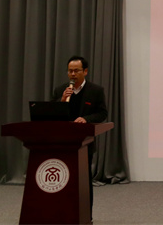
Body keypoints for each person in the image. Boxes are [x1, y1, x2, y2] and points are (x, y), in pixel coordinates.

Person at [52, 55, 107, 223]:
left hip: (84, 144)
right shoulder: (60, 90)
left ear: (85, 71)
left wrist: (86, 119)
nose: (73, 74)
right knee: (63, 179)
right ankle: (63, 215)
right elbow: (50, 113)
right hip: (63, 143)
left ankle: (86, 217)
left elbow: (102, 113)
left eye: (76, 71)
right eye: (70, 71)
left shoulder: (95, 90)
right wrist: (62, 100)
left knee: (84, 181)